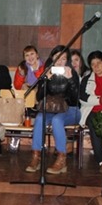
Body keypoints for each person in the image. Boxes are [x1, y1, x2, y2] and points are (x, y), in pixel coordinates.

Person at [24, 45, 80, 174]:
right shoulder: (47, 72)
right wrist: (45, 80)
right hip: (51, 109)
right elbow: (39, 97)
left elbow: (75, 99)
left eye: (64, 59)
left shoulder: (72, 73)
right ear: (52, 59)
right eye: (57, 58)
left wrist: (70, 79)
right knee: (39, 118)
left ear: (67, 60)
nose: (60, 62)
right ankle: (36, 156)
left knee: (57, 120)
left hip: (71, 110)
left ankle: (61, 159)